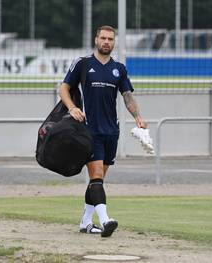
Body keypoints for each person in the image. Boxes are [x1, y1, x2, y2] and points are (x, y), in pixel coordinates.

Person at [59, 25, 147, 237]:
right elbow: (63, 88)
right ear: (96, 40)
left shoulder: (119, 68)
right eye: (103, 38)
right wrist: (72, 108)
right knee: (96, 175)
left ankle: (86, 221)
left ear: (113, 42)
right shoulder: (83, 63)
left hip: (111, 132)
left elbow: (127, 96)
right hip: (90, 132)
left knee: (97, 180)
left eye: (110, 39)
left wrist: (137, 117)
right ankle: (106, 220)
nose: (106, 42)